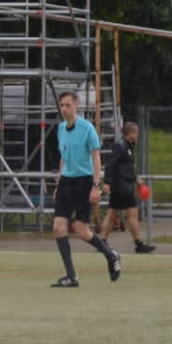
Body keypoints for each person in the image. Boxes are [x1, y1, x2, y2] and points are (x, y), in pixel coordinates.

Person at [48, 90, 121, 288]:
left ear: (76, 106)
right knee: (58, 227)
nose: (64, 109)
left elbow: (96, 158)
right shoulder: (61, 129)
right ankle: (71, 276)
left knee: (81, 230)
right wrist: (59, 183)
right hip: (66, 182)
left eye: (67, 105)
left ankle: (111, 255)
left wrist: (96, 186)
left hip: (83, 182)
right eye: (62, 105)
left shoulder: (87, 128)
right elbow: (63, 157)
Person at [100, 119, 154, 253]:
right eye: (136, 133)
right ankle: (138, 244)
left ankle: (102, 242)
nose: (138, 135)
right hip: (122, 187)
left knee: (111, 214)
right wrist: (107, 182)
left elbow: (126, 168)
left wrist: (135, 179)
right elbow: (110, 164)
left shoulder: (128, 147)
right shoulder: (121, 146)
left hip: (122, 186)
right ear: (131, 133)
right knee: (132, 215)